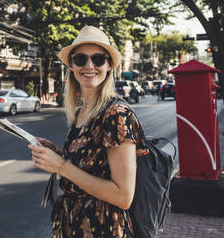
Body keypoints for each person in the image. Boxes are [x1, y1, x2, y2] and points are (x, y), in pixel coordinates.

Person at [28, 26, 142, 238]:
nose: (89, 66)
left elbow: (123, 196)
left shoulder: (116, 114)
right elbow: (91, 166)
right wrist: (56, 155)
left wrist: (61, 166)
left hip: (104, 230)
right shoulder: (81, 112)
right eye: (80, 59)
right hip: (73, 226)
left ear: (109, 66)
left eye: (98, 59)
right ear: (72, 66)